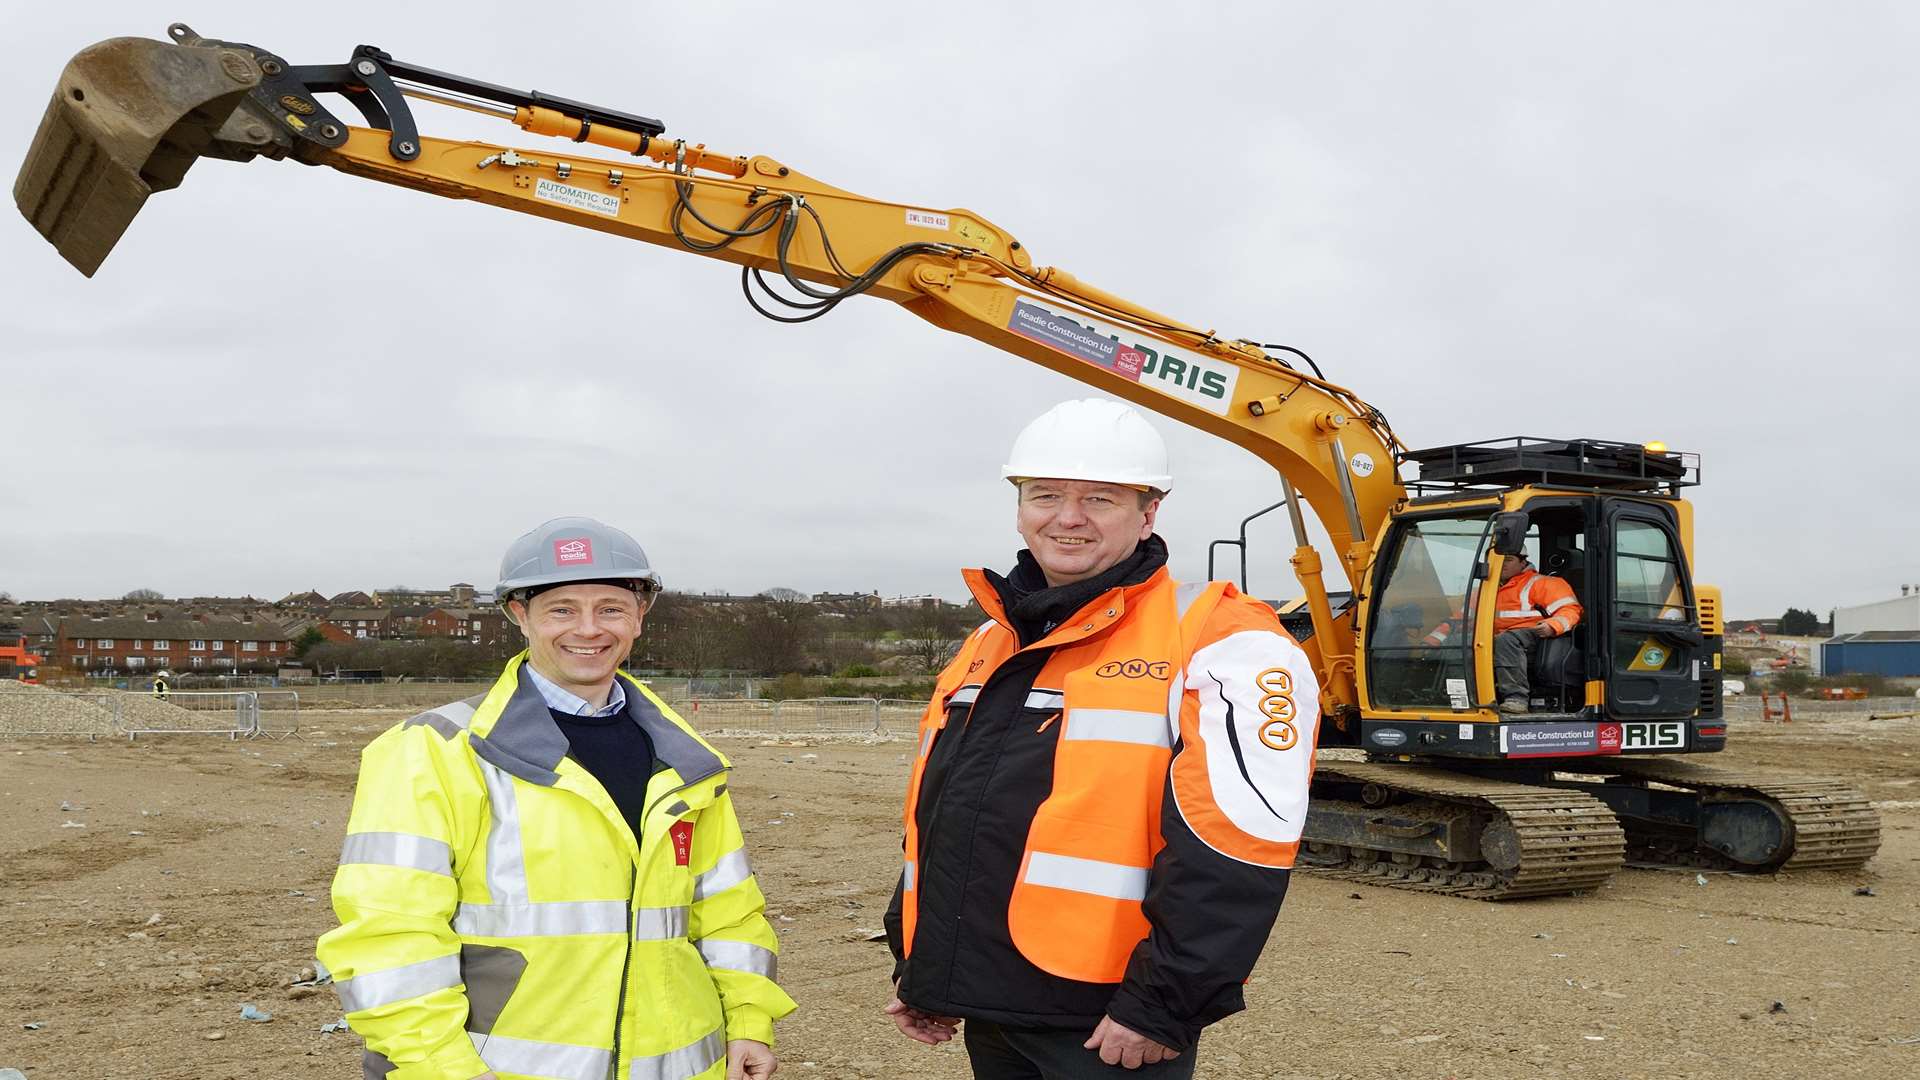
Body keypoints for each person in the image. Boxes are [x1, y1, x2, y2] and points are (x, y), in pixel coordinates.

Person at [883, 399, 1321, 1078]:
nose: (1067, 517)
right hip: (993, 1003)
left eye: (1100, 498)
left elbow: (1237, 848)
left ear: (1148, 514)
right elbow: (940, 815)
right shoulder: (988, 642)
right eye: (1046, 495)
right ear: (1019, 506)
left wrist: (1164, 1003)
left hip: (1110, 1022)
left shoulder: (1221, 638)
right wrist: (923, 964)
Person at [317, 517, 794, 1080]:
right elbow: (389, 938)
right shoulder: (433, 751)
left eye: (611, 608)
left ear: (641, 615)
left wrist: (746, 1021)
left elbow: (728, 912)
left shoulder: (686, 761)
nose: (589, 630)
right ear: (519, 615)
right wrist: (442, 1070)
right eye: (563, 609)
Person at [1489, 552, 1583, 713]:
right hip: (1492, 638)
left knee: (1507, 640)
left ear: (1523, 562)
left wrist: (1552, 626)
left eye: (1508, 560)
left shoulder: (1543, 583)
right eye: (1497, 560)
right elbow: (1459, 620)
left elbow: (1570, 610)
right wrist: (1433, 641)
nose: (1501, 564)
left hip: (1533, 636)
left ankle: (1516, 699)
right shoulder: (1486, 591)